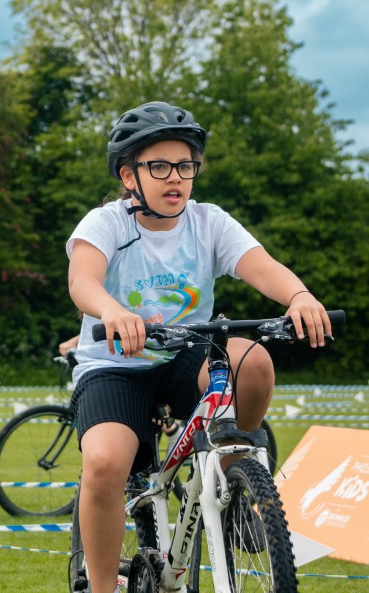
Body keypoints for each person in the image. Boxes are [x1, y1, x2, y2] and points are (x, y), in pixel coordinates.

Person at [65, 101, 331, 593]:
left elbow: (262, 266)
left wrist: (299, 295)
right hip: (115, 363)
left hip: (188, 352)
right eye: (160, 167)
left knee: (253, 360)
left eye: (186, 166)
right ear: (129, 175)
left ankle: (231, 479)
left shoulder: (208, 222)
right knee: (104, 461)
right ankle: (102, 587)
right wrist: (112, 311)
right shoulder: (108, 223)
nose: (176, 179)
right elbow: (83, 279)